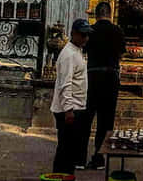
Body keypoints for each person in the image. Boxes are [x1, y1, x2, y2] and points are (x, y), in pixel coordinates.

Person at [82, 1, 126, 170]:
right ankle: (99, 158)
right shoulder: (118, 31)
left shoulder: (90, 31)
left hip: (92, 75)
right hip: (111, 76)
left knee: (86, 117)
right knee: (106, 119)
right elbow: (121, 53)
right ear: (110, 13)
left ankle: (79, 158)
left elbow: (85, 51)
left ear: (96, 14)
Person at [50, 18, 92, 174]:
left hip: (75, 107)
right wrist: (68, 109)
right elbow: (65, 84)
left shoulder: (77, 52)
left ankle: (66, 175)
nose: (85, 38)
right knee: (65, 150)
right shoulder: (68, 55)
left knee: (69, 150)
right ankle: (61, 175)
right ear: (74, 34)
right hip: (68, 109)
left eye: (87, 35)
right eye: (83, 35)